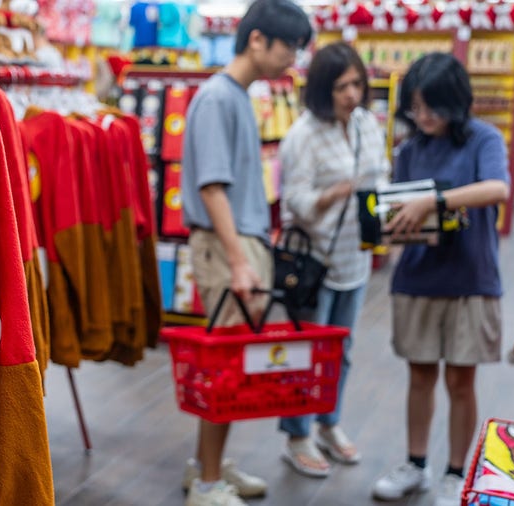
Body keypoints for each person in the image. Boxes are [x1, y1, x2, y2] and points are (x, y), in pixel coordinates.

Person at [178, 1, 312, 505]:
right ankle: (208, 483)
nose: (293, 59)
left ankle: (207, 468)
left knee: (232, 363)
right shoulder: (217, 98)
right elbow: (213, 189)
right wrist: (239, 261)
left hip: (239, 243)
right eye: (289, 47)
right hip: (225, 246)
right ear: (257, 40)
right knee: (227, 367)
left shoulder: (233, 96)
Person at [370, 53, 510, 506]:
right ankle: (415, 464)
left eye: (431, 106)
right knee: (420, 375)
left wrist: (434, 202)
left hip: (471, 278)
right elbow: (398, 205)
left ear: (456, 102)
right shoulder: (410, 150)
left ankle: (455, 472)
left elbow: (497, 188)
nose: (423, 116)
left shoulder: (484, 139)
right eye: (415, 107)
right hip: (418, 277)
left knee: (461, 381)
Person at [277, 41, 390, 478]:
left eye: (357, 84)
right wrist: (333, 194)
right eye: (342, 86)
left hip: (355, 259)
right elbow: (295, 203)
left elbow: (379, 175)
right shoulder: (303, 134)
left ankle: (329, 422)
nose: (352, 94)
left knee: (342, 350)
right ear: (323, 89)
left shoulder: (365, 124)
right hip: (314, 262)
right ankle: (297, 433)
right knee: (307, 352)